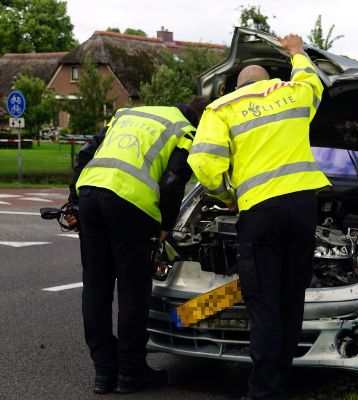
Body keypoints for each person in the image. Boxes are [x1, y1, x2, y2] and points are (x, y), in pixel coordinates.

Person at [187, 34, 330, 400]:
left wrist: (227, 195)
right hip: (301, 207)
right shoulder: (293, 92)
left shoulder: (222, 109)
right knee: (290, 297)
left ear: (238, 85)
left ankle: (263, 391)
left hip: (260, 211)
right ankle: (281, 380)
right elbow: (313, 81)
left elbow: (203, 163)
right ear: (267, 79)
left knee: (264, 301)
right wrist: (297, 52)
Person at [65, 97, 209, 394]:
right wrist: (166, 226)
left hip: (91, 195)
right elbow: (172, 181)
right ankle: (130, 372)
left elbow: (84, 155)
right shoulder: (186, 130)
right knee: (133, 293)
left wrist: (75, 201)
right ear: (201, 120)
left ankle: (104, 372)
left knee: (96, 290)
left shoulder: (126, 113)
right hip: (131, 205)